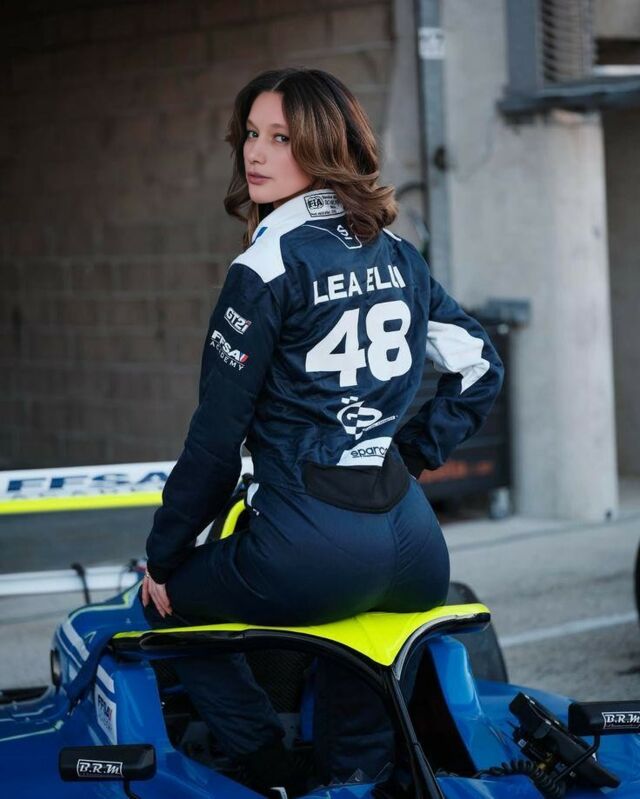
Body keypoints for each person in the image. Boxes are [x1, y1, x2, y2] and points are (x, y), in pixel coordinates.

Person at [141, 67, 504, 795]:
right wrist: (409, 454)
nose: (256, 152)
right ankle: (354, 774)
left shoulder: (265, 266)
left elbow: (215, 444)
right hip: (417, 550)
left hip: (308, 555)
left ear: (325, 146)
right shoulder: (397, 254)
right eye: (251, 134)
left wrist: (164, 557)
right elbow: (480, 367)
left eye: (281, 138)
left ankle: (273, 769)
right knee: (357, 638)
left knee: (160, 608)